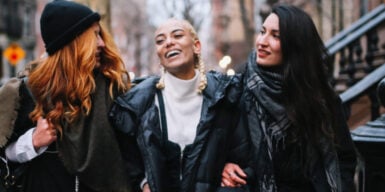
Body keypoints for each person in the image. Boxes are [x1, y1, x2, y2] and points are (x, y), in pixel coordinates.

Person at [220, 4, 357, 192]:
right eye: (263, 32)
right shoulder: (238, 89)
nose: (262, 41)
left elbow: (344, 159)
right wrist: (223, 166)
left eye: (275, 36)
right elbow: (216, 145)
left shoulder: (321, 99)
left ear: (296, 45)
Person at [0, 1, 132, 191]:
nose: (102, 43)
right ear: (73, 43)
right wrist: (33, 142)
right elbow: (6, 156)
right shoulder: (28, 92)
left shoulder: (113, 88)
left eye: (100, 35)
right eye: (94, 36)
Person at [109, 18, 250, 192]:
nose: (168, 43)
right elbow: (127, 163)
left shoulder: (225, 98)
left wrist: (226, 167)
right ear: (159, 55)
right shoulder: (136, 105)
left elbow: (243, 159)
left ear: (196, 46)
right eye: (160, 41)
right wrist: (143, 183)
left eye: (177, 35)